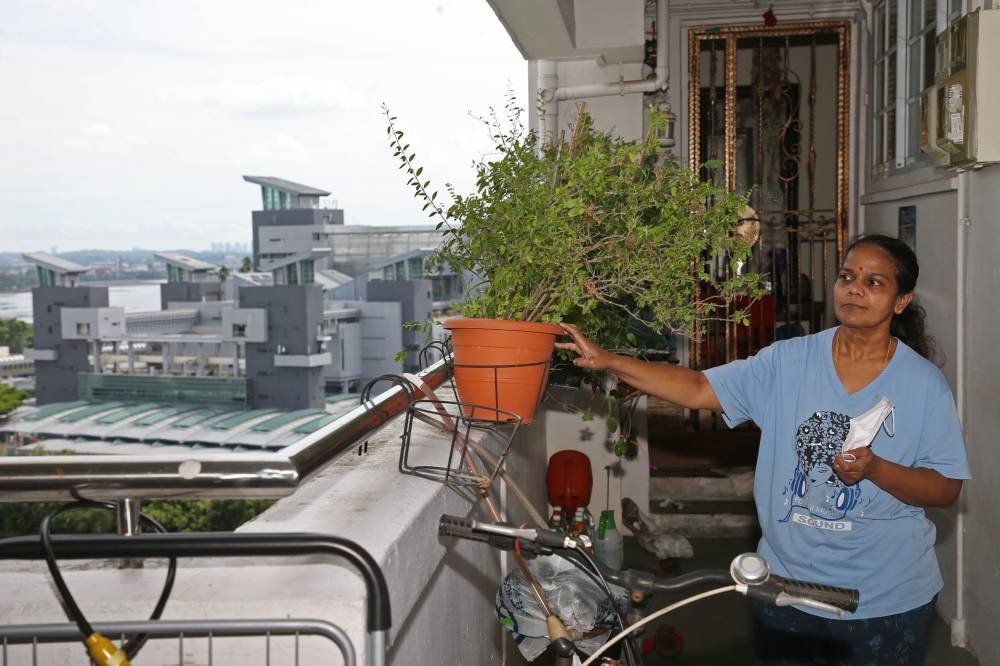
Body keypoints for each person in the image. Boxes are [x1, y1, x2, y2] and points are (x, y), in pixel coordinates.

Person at [556, 233, 970, 665]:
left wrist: (876, 469)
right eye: (847, 276)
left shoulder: (922, 385)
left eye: (875, 283)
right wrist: (612, 361)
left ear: (901, 301)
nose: (854, 288)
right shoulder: (788, 362)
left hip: (885, 599)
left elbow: (945, 488)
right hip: (786, 590)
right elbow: (699, 387)